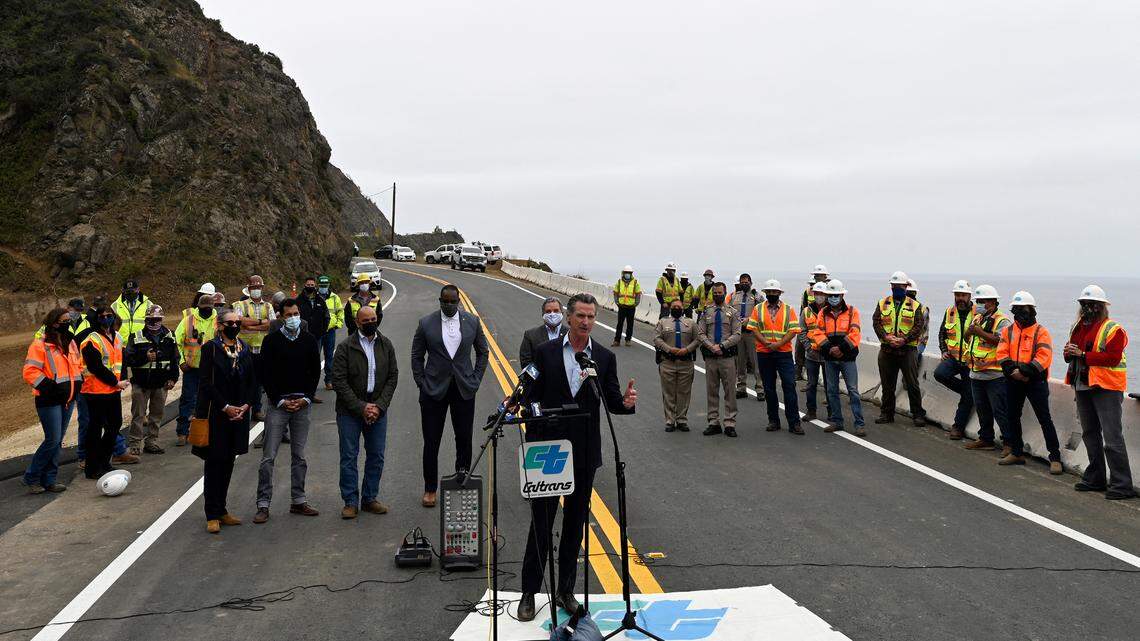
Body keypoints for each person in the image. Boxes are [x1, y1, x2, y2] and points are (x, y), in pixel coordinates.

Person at [515, 292, 636, 621]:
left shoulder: (604, 359)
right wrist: (535, 418)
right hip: (548, 452)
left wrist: (625, 402)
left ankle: (565, 591)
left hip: (584, 452)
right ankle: (529, 591)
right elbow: (530, 398)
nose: (585, 322)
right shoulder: (545, 352)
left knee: (573, 526)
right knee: (541, 522)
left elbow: (611, 401)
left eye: (591, 317)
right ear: (568, 318)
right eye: (580, 316)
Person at [410, 284, 489, 507]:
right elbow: (416, 356)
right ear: (440, 300)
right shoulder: (426, 323)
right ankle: (430, 489)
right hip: (433, 391)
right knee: (431, 441)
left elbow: (483, 352)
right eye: (445, 301)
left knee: (463, 438)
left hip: (464, 389)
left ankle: (461, 480)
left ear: (458, 301)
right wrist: (422, 383)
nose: (449, 305)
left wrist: (475, 379)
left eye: (453, 301)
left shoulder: (472, 322)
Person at [253, 299, 322, 523]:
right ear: (282, 316)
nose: (294, 317)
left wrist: (306, 398)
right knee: (268, 457)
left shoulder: (309, 340)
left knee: (299, 456)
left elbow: (314, 373)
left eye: (297, 313)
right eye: (289, 314)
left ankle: (299, 501)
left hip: (302, 406)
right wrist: (279, 401)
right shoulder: (271, 341)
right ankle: (263, 504)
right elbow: (265, 374)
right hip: (278, 406)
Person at [1064, 285, 1135, 499]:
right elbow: (1071, 356)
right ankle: (1095, 478)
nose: (1087, 308)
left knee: (1112, 438)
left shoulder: (1114, 329)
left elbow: (1113, 358)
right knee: (1090, 433)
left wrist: (1083, 355)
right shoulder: (1077, 327)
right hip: (1083, 385)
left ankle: (1122, 484)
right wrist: (1069, 353)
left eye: (1092, 304)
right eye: (1084, 304)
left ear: (1102, 307)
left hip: (1106, 388)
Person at [332, 305, 399, 518]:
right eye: (366, 320)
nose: (371, 322)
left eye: (374, 319)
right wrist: (362, 407)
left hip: (378, 409)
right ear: (357, 322)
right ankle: (350, 502)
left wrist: (378, 406)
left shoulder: (386, 345)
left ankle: (370, 498)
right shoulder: (345, 347)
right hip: (350, 411)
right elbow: (339, 381)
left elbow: (392, 377)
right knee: (349, 456)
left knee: (376, 455)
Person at [194, 310, 256, 533]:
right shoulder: (210, 348)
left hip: (239, 413)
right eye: (230, 322)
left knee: (229, 460)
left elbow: (251, 380)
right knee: (214, 463)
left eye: (238, 322)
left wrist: (246, 405)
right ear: (220, 325)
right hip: (217, 414)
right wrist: (226, 407)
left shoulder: (244, 348)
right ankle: (212, 512)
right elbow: (206, 383)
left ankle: (222, 509)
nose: (235, 325)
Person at [995, 291, 1061, 471]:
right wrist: (1012, 371)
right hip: (1013, 381)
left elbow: (1044, 357)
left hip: (1035, 382)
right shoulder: (1007, 331)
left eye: (1022, 309)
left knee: (1044, 418)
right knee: (1012, 416)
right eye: (1016, 310)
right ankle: (1017, 452)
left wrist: (1025, 371)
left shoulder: (1041, 332)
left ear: (1032, 310)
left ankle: (1055, 457)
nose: (1019, 313)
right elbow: (1001, 353)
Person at [21, 308, 84, 493]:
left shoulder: (71, 342)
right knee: (52, 439)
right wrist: (51, 388)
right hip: (49, 400)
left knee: (57, 441)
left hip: (68, 398)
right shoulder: (40, 345)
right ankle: (32, 477)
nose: (68, 323)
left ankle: (49, 479)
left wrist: (79, 380)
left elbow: (78, 365)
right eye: (64, 320)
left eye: (68, 320)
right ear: (54, 323)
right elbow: (30, 372)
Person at [80, 305, 131, 479]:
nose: (106, 319)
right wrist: (116, 382)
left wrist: (122, 380)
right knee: (95, 429)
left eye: (109, 315)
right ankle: (92, 467)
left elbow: (120, 361)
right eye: (102, 316)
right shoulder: (91, 340)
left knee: (115, 424)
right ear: (97, 319)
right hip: (95, 391)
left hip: (112, 390)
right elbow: (95, 367)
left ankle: (103, 460)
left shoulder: (117, 337)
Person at [810, 280, 865, 436]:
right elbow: (817, 333)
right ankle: (837, 422)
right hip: (830, 358)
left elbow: (855, 333)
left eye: (836, 295)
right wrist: (830, 348)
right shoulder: (822, 313)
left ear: (842, 295)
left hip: (847, 359)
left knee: (853, 391)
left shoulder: (852, 311)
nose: (833, 298)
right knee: (832, 391)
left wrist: (840, 349)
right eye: (831, 295)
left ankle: (859, 424)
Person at [872, 271, 927, 426]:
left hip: (907, 350)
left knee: (912, 384)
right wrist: (886, 337)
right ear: (891, 286)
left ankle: (918, 414)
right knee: (887, 384)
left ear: (906, 286)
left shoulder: (915, 305)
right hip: (887, 349)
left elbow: (918, 326)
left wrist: (904, 339)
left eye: (900, 286)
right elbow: (876, 322)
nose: (897, 288)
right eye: (894, 286)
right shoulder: (883, 303)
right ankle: (886, 413)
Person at [748, 279, 803, 434]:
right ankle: (773, 421)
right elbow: (753, 328)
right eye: (769, 292)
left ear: (779, 293)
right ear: (766, 293)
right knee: (769, 388)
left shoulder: (788, 309)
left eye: (775, 292)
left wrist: (778, 344)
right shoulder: (758, 309)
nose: (772, 294)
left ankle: (794, 423)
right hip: (764, 353)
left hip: (783, 353)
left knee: (789, 386)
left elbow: (793, 330)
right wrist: (766, 342)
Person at [962, 285, 1012, 453]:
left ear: (992, 302)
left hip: (994, 374)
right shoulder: (978, 318)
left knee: (1000, 410)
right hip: (976, 372)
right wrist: (969, 332)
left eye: (982, 301)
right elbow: (967, 337)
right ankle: (986, 438)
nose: (979, 304)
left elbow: (1000, 341)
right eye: (978, 302)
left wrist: (978, 331)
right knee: (982, 409)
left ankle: (1009, 443)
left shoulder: (1002, 320)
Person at [123, 304, 178, 456]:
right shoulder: (136, 336)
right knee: (138, 415)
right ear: (146, 319)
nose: (154, 322)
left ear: (162, 319)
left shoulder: (170, 336)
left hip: (161, 384)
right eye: (151, 319)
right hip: (141, 384)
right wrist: (144, 357)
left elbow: (175, 359)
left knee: (157, 415)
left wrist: (173, 378)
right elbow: (128, 359)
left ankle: (151, 442)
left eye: (157, 319)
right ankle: (135, 444)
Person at [174, 284, 218, 446]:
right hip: (192, 369)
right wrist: (181, 361)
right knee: (188, 400)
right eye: (203, 308)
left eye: (209, 308)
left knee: (210, 401)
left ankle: (207, 431)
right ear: (198, 307)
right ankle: (182, 431)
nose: (206, 310)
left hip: (212, 369)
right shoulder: (188, 321)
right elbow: (176, 342)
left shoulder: (218, 321)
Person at [697, 283, 741, 437]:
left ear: (725, 293)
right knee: (712, 390)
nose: (717, 295)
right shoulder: (706, 312)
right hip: (711, 358)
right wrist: (711, 346)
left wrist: (722, 346)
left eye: (720, 292)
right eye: (715, 293)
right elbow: (700, 333)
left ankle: (729, 423)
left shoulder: (733, 313)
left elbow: (737, 334)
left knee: (730, 391)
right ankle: (713, 422)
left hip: (727, 357)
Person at [934, 280, 975, 440]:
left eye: (963, 295)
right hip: (953, 358)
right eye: (957, 295)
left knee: (968, 397)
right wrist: (943, 350)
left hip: (970, 361)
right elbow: (942, 333)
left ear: (969, 296)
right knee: (939, 374)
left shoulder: (977, 313)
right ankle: (968, 391)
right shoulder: (950, 311)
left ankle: (958, 427)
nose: (960, 298)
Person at [234, 275, 276, 421]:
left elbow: (271, 323)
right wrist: (260, 322)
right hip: (244, 350)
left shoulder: (268, 306)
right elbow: (240, 321)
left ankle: (257, 410)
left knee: (257, 382)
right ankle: (242, 408)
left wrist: (251, 324)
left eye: (258, 287)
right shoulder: (241, 304)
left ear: (262, 288)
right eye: (253, 287)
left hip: (262, 350)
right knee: (242, 380)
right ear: (249, 289)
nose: (256, 289)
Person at [654, 298, 699, 432]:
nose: (677, 309)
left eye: (679, 307)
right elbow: (656, 338)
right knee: (668, 393)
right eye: (674, 307)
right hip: (667, 362)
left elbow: (698, 339)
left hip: (686, 363)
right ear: (670, 308)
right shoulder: (663, 322)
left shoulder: (690, 323)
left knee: (684, 393)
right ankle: (670, 420)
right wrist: (669, 349)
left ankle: (681, 420)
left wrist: (687, 349)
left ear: (683, 309)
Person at [800, 281, 829, 421]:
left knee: (830, 385)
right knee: (811, 384)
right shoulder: (806, 311)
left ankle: (832, 413)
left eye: (822, 294)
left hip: (827, 354)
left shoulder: (831, 311)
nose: (819, 296)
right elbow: (802, 331)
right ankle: (811, 412)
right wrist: (807, 347)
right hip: (812, 354)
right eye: (817, 293)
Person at [797, 265, 831, 380]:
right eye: (816, 276)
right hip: (809, 322)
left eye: (820, 275)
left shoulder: (831, 289)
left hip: (826, 337)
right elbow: (804, 307)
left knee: (829, 377)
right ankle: (799, 371)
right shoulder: (808, 292)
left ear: (825, 276)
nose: (817, 278)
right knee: (799, 346)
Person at [519, 297, 567, 370]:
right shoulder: (530, 335)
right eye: (548, 311)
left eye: (556, 311)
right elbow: (526, 363)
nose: (552, 314)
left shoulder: (572, 334)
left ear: (562, 313)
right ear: (543, 315)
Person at [319, 275, 343, 391]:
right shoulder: (314, 297)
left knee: (329, 356)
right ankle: (312, 383)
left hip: (330, 332)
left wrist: (338, 324)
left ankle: (329, 380)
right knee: (314, 356)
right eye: (321, 286)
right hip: (317, 332)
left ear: (328, 285)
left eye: (325, 285)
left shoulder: (335, 298)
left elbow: (340, 312)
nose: (323, 288)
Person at [611, 265, 641, 346]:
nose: (627, 274)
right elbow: (615, 292)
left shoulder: (635, 282)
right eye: (626, 273)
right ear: (623, 273)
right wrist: (617, 302)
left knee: (630, 324)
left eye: (629, 273)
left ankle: (628, 340)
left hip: (631, 307)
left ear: (631, 274)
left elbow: (638, 294)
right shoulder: (619, 282)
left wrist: (636, 304)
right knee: (619, 324)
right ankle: (617, 340)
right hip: (622, 307)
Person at [906, 279, 931, 371]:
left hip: (918, 343)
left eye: (910, 293)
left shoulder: (922, 309)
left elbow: (919, 331)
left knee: (912, 356)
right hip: (904, 343)